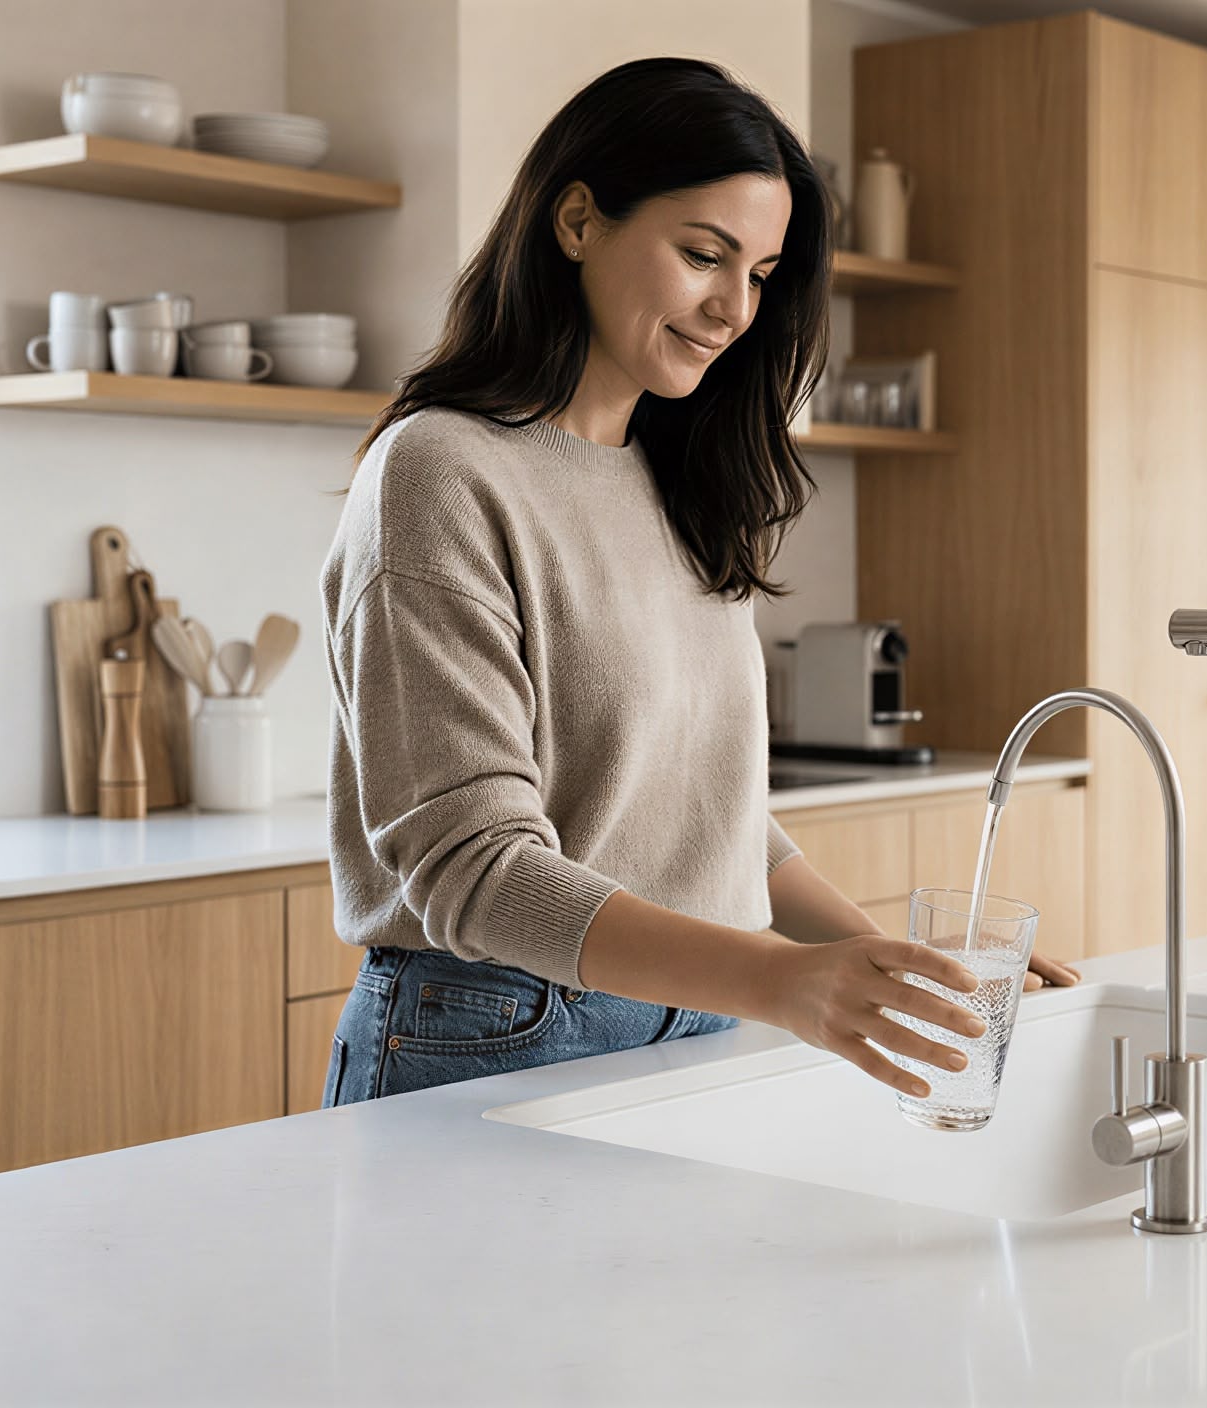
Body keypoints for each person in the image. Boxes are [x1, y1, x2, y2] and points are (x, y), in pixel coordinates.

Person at [318, 57, 1079, 1107]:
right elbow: (472, 869)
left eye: (761, 275)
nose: (733, 308)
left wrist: (905, 978)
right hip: (494, 1028)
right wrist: (780, 977)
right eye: (703, 255)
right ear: (577, 219)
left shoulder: (678, 481)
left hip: (696, 1017)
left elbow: (704, 820)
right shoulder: (440, 471)